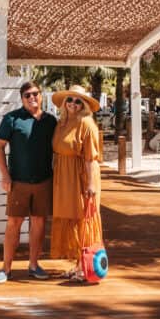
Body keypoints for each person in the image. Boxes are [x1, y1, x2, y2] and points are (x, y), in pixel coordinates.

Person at [0, 81, 57, 284]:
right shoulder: (12, 119)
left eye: (35, 94)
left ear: (41, 95)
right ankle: (6, 268)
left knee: (38, 222)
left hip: (44, 180)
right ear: (22, 99)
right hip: (18, 182)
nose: (32, 98)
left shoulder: (51, 121)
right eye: (27, 95)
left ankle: (34, 265)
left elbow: (61, 148)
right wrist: (5, 175)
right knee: (14, 223)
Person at [50, 84, 102, 282]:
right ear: (64, 103)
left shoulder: (86, 123)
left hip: (81, 175)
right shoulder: (61, 122)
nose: (73, 103)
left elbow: (90, 158)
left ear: (84, 105)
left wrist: (90, 185)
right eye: (70, 100)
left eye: (78, 101)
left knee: (82, 218)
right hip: (64, 175)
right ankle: (77, 264)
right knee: (70, 218)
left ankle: (84, 267)